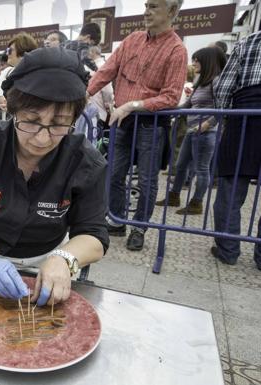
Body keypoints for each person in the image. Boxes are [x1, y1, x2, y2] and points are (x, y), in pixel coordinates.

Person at [0, 47, 108, 306]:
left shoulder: (86, 161)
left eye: (59, 123)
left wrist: (63, 258)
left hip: (47, 262)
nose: (43, 138)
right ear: (13, 110)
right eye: (30, 120)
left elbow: (94, 234)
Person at [87, 0, 188, 252]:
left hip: (151, 123)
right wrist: (83, 95)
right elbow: (106, 71)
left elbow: (171, 96)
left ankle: (139, 227)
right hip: (123, 120)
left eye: (154, 6)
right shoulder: (132, 39)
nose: (146, 11)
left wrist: (132, 104)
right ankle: (118, 220)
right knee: (114, 172)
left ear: (172, 11)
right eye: (146, 5)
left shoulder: (176, 49)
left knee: (147, 180)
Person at [156, 47, 226, 215]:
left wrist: (207, 125)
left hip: (206, 132)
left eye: (197, 59)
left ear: (207, 62)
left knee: (202, 169)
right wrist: (167, 108)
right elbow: (188, 105)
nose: (193, 63)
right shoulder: (201, 82)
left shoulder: (216, 82)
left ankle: (197, 203)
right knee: (180, 165)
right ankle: (174, 196)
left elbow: (223, 108)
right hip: (192, 130)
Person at [212, 31, 261, 269]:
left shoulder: (249, 42)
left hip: (245, 121)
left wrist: (225, 122)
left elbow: (223, 89)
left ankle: (228, 250)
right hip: (245, 117)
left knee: (230, 192)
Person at [0, 32, 39, 118]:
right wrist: (1, 99)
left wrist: (12, 102)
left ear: (22, 51)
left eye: (9, 50)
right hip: (10, 124)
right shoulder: (7, 71)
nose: (7, 53)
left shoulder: (37, 73)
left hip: (31, 123)